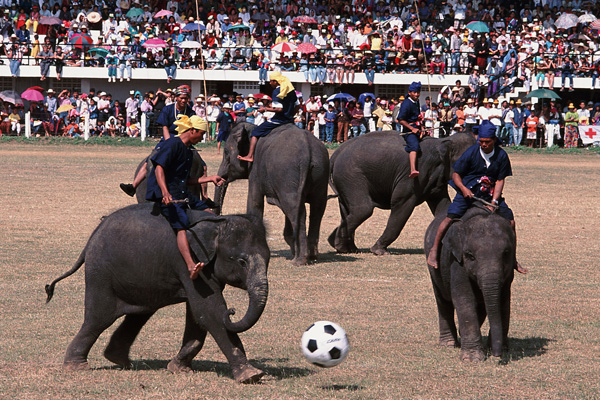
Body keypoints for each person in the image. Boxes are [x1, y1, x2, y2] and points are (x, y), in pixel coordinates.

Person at [426, 120, 526, 274]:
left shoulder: (501, 156)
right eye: (481, 141)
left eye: (487, 142)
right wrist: (463, 189)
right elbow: (456, 174)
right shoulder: (472, 152)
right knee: (449, 218)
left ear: (494, 140)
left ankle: (513, 258)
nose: (484, 144)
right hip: (468, 192)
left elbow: (500, 180)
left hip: (489, 194)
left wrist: (494, 202)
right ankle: (434, 250)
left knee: (511, 222)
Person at [146, 114, 225, 280]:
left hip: (182, 191)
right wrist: (165, 193)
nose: (202, 138)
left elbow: (187, 180)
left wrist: (209, 178)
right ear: (192, 130)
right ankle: (190, 266)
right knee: (181, 225)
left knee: (210, 213)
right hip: (166, 192)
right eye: (202, 134)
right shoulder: (172, 145)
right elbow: (159, 169)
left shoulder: (189, 152)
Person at [120, 85, 195, 197]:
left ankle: (204, 195)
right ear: (176, 98)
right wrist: (170, 143)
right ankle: (133, 186)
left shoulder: (190, 112)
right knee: (151, 160)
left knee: (203, 166)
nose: (184, 100)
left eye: (186, 98)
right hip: (168, 138)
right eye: (181, 98)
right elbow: (164, 126)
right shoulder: (168, 109)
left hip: (184, 141)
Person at [238, 71, 298, 163]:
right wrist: (290, 115)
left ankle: (250, 156)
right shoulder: (290, 90)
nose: (270, 83)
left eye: (271, 81)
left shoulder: (277, 91)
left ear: (276, 81)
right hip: (289, 120)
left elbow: (279, 109)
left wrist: (265, 109)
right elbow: (297, 106)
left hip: (279, 120)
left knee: (255, 132)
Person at [396, 81, 426, 178]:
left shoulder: (417, 102)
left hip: (417, 128)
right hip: (408, 130)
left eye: (418, 92)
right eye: (414, 92)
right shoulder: (406, 103)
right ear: (409, 92)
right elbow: (400, 119)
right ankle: (413, 169)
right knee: (414, 146)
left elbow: (416, 117)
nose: (417, 94)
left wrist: (421, 124)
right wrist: (412, 128)